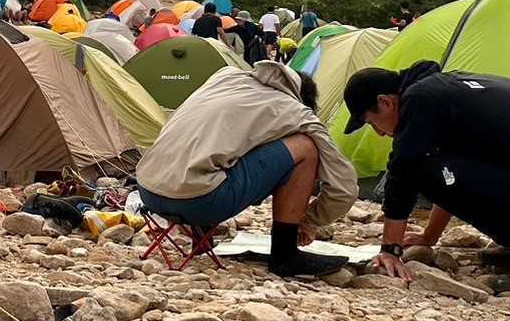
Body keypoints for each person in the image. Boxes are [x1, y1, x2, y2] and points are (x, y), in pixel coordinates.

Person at [137, 62, 358, 276]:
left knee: (216, 147)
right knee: (305, 147)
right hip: (199, 203)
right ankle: (285, 254)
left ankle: (200, 238)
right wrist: (309, 221)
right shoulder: (296, 111)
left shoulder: (224, 79)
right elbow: (343, 188)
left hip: (148, 192)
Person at [341, 62, 510, 281]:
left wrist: (389, 251)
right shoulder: (442, 92)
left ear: (385, 102)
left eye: (372, 123)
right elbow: (453, 176)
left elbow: (403, 171)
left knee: (419, 168)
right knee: (435, 166)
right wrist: (430, 236)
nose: (379, 133)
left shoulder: (420, 98)